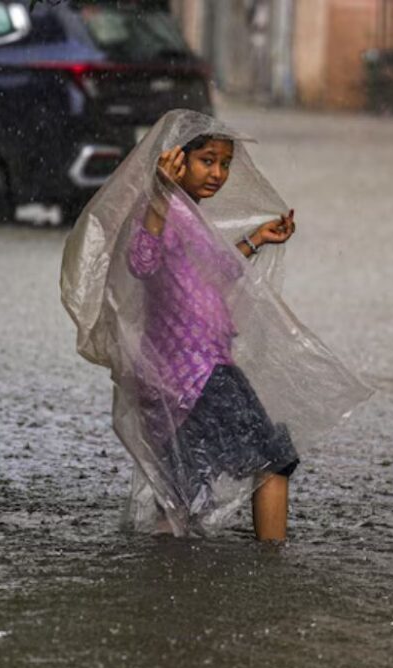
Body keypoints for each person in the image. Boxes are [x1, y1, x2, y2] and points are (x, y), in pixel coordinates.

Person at [60, 110, 370, 541]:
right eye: (207, 160)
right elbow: (142, 261)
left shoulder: (187, 215)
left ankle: (166, 583)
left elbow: (206, 277)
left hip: (176, 376)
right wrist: (158, 196)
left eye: (225, 163)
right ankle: (270, 569)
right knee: (273, 461)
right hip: (196, 373)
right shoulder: (160, 209)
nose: (218, 173)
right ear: (176, 160)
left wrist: (256, 240)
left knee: (183, 492)